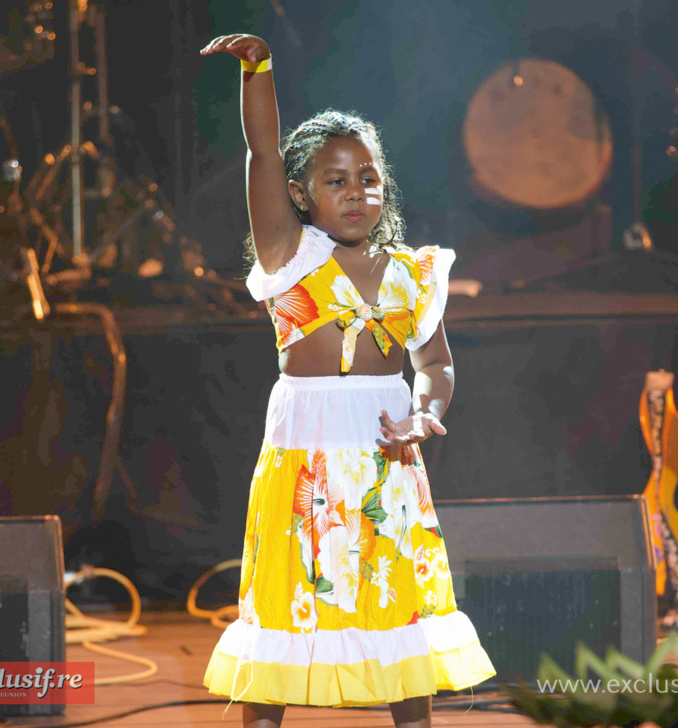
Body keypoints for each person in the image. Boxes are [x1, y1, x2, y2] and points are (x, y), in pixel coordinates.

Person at [199, 33, 496, 728]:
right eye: (335, 181)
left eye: (367, 177)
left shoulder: (415, 273)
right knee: (287, 604)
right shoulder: (288, 255)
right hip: (303, 454)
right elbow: (263, 152)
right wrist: (258, 71)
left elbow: (436, 363)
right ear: (300, 195)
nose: (356, 192)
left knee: (397, 609)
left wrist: (425, 411)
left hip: (385, 462)